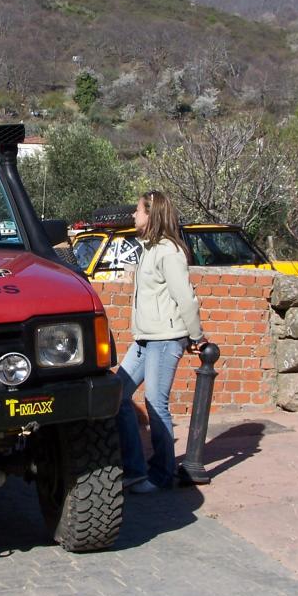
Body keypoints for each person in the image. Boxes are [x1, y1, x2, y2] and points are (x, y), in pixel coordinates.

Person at [116, 190, 207, 494]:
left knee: (155, 404)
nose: (134, 215)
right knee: (117, 396)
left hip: (165, 339)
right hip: (145, 339)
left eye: (138, 210)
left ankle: (161, 475)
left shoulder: (169, 252)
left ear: (151, 213)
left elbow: (186, 298)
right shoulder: (150, 248)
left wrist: (196, 336)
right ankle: (134, 470)